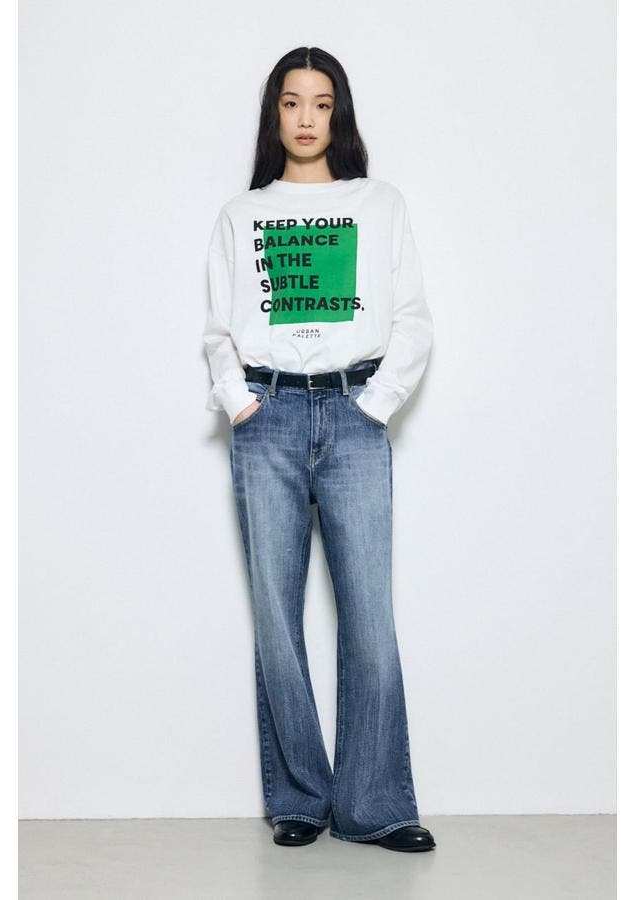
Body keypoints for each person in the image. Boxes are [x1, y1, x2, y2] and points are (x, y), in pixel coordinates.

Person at [202, 46, 435, 853]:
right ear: (275, 114)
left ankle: (377, 805)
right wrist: (239, 402)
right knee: (277, 616)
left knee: (368, 614)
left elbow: (411, 318)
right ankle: (300, 797)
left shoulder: (378, 203)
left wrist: (376, 405)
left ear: (340, 114)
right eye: (293, 102)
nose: (307, 118)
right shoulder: (243, 214)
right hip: (266, 418)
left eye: (322, 103)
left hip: (353, 414)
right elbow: (219, 329)